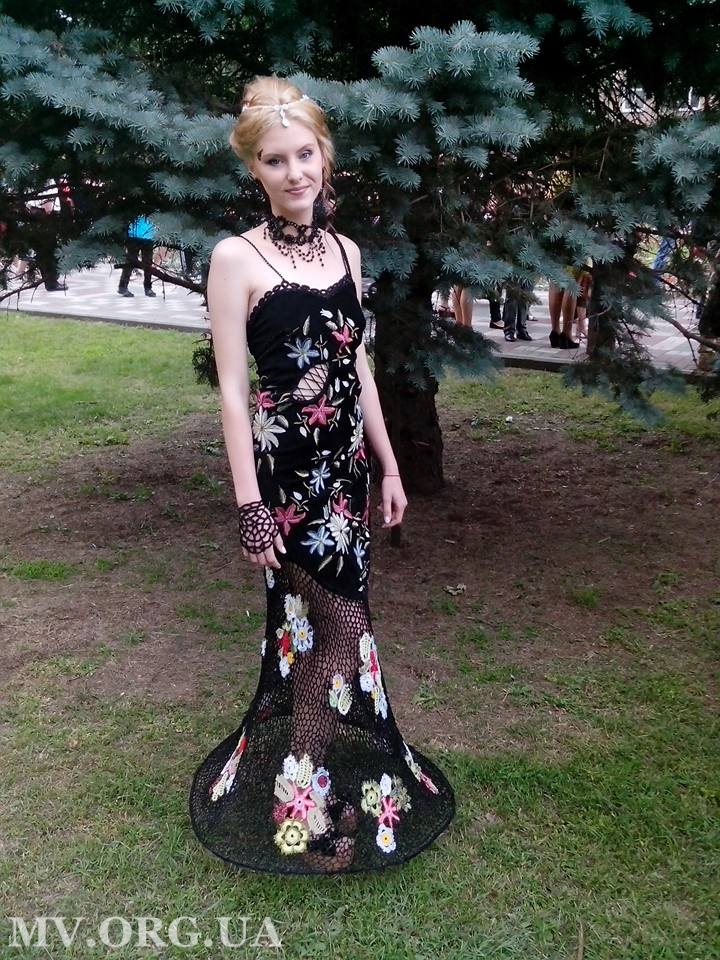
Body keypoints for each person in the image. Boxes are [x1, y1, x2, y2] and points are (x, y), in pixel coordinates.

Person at [188, 76, 455, 875]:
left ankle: (301, 780)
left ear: (324, 155)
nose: (295, 172)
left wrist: (390, 463)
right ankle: (298, 803)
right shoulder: (235, 258)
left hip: (345, 480)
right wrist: (248, 505)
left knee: (333, 631)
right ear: (255, 169)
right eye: (276, 160)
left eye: (305, 154)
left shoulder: (346, 252)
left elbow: (357, 366)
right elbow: (232, 392)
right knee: (338, 629)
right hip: (285, 487)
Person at [118, 215, 156, 297]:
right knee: (130, 262)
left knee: (147, 263)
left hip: (148, 236)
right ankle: (123, 286)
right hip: (133, 235)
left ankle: (148, 288)